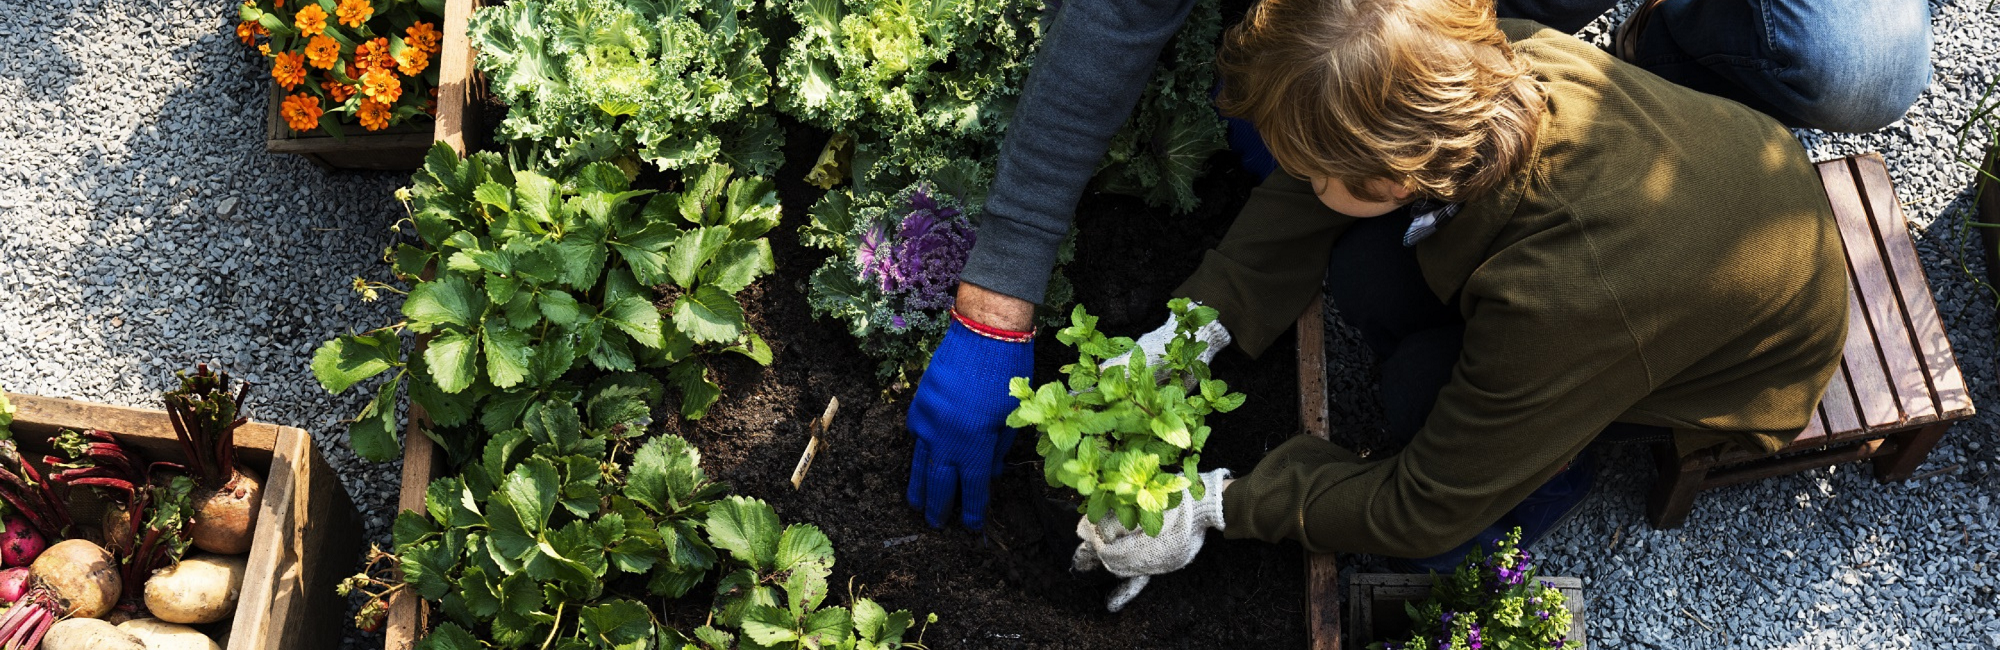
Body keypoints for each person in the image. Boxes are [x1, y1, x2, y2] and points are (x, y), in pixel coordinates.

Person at [904, 0, 1931, 536]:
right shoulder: (1490, 60)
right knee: (1357, 281)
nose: (1296, 181)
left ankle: (1557, 457)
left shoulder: (1568, 296)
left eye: (1317, 166)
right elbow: (1306, 196)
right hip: (1694, 217)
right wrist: (1199, 322)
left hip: (1724, 354)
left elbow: (1414, 505)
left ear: (1394, 174)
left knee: (1416, 416)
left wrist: (1213, 505)